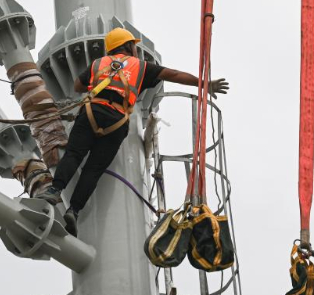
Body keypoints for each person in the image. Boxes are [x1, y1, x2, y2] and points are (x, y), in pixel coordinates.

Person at [38, 27, 229, 236]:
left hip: (92, 111)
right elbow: (173, 74)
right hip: (117, 120)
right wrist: (204, 84)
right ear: (128, 46)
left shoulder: (98, 63)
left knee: (75, 153)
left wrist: (98, 84)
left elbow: (77, 86)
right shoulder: (141, 66)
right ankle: (73, 210)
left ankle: (55, 190)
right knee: (94, 169)